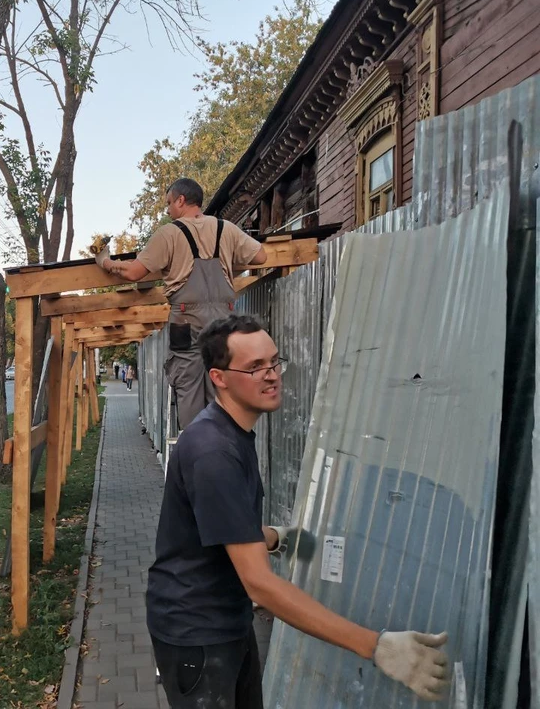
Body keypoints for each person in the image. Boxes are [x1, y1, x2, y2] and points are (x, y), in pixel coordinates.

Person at [145, 315, 449, 708]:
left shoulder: (230, 433)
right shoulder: (213, 452)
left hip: (225, 618)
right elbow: (261, 586)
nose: (271, 376)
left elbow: (218, 524)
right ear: (219, 378)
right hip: (196, 632)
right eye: (254, 368)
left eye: (274, 362)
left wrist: (274, 537)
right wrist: (375, 646)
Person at [96, 178, 268, 429]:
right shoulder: (225, 229)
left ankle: (196, 450)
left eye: (169, 203)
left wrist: (105, 262)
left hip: (185, 321)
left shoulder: (169, 234)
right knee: (225, 384)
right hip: (225, 321)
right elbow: (261, 255)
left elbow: (134, 273)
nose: (167, 210)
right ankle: (226, 449)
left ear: (181, 200)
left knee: (188, 385)